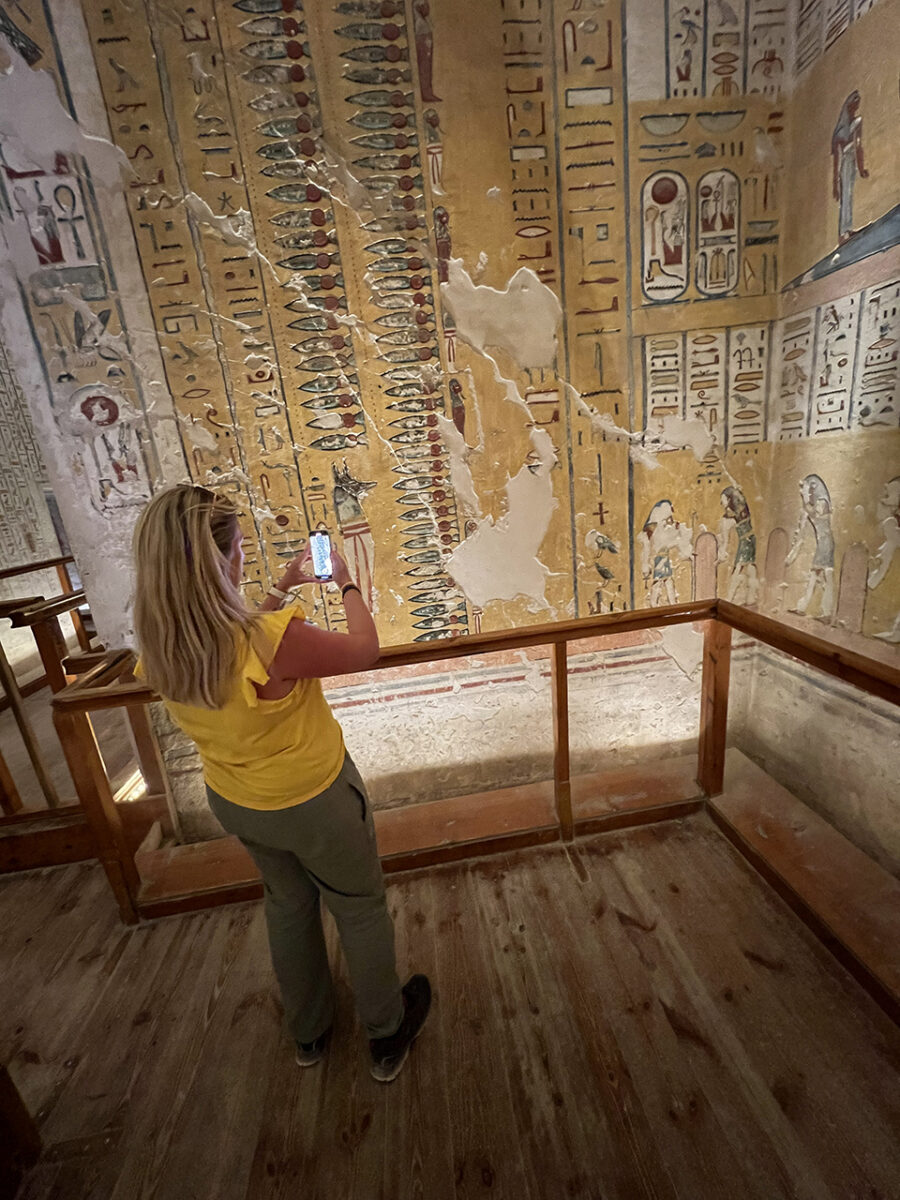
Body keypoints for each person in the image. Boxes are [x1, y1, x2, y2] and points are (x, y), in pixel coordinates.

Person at [131, 484, 431, 1082]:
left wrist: (283, 588)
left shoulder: (162, 642)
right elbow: (363, 649)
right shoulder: (270, 640)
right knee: (359, 906)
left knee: (289, 904)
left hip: (238, 801)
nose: (243, 556)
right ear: (222, 561)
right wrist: (344, 581)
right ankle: (385, 1032)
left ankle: (310, 1034)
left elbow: (233, 645)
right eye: (239, 547)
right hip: (313, 800)